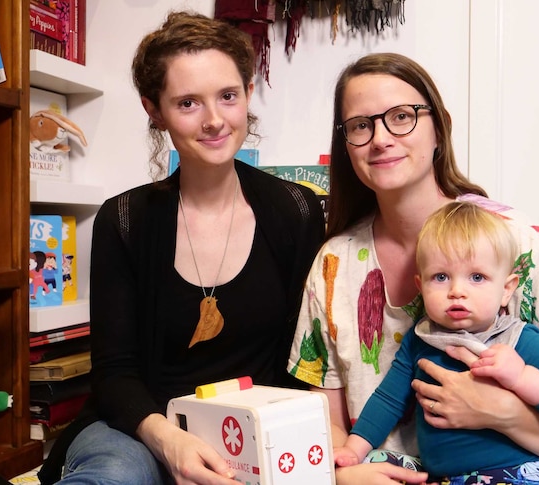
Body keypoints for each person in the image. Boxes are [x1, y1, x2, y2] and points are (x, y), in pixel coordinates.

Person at [287, 52, 539, 485]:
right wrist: (341, 476)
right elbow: (329, 429)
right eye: (360, 125)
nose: (381, 138)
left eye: (402, 116)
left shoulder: (516, 243)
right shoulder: (333, 265)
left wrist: (502, 414)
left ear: (439, 127)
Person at [38, 10, 325, 484]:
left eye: (228, 97)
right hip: (140, 428)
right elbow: (114, 375)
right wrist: (170, 442)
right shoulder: (124, 220)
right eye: (188, 103)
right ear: (155, 110)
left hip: (254, 431)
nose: (214, 121)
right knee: (115, 476)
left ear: (248, 94)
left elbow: (304, 357)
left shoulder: (295, 209)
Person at [332, 201, 539, 482]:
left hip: (515, 472)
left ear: (506, 290)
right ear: (420, 285)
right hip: (440, 474)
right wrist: (353, 449)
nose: (457, 291)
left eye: (477, 277)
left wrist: (522, 377)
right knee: (370, 464)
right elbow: (388, 401)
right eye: (440, 277)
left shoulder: (518, 340)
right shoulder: (422, 339)